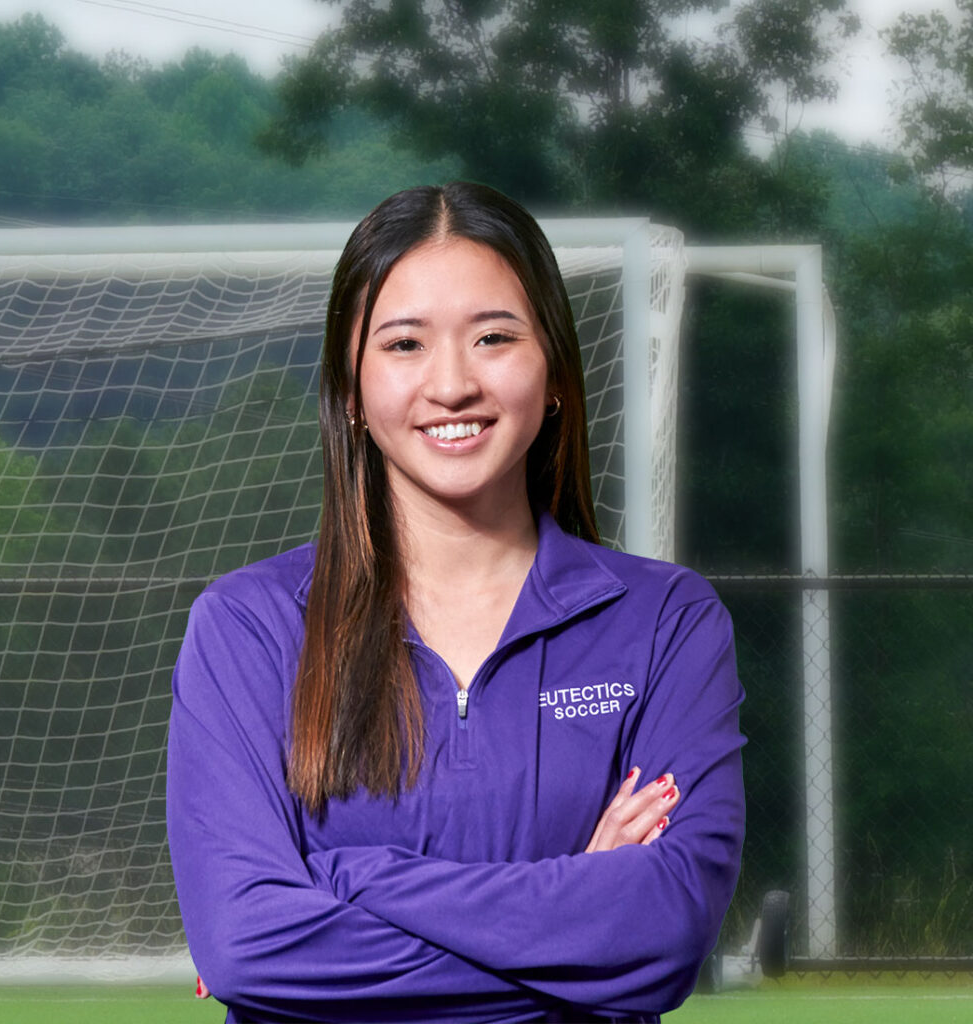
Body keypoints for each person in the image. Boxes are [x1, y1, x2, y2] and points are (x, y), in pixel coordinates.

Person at [166, 181, 746, 1024]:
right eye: (404, 344)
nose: (452, 384)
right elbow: (247, 949)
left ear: (553, 374)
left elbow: (663, 936)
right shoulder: (247, 629)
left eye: (494, 338)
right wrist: (575, 908)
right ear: (352, 392)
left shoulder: (667, 623)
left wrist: (347, 877)